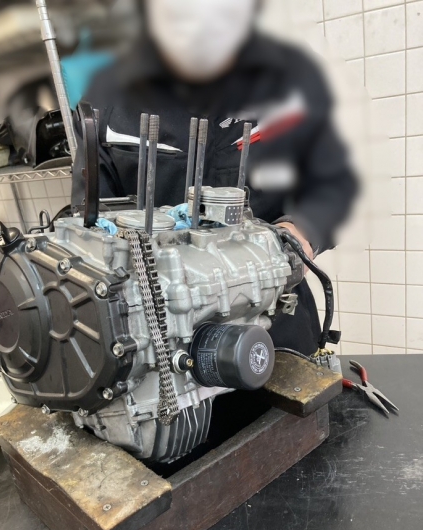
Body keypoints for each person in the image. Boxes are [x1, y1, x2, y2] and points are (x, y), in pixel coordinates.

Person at [72, 0, 358, 355]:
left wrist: (298, 235)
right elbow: (89, 223)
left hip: (273, 322)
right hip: (156, 337)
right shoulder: (107, 103)